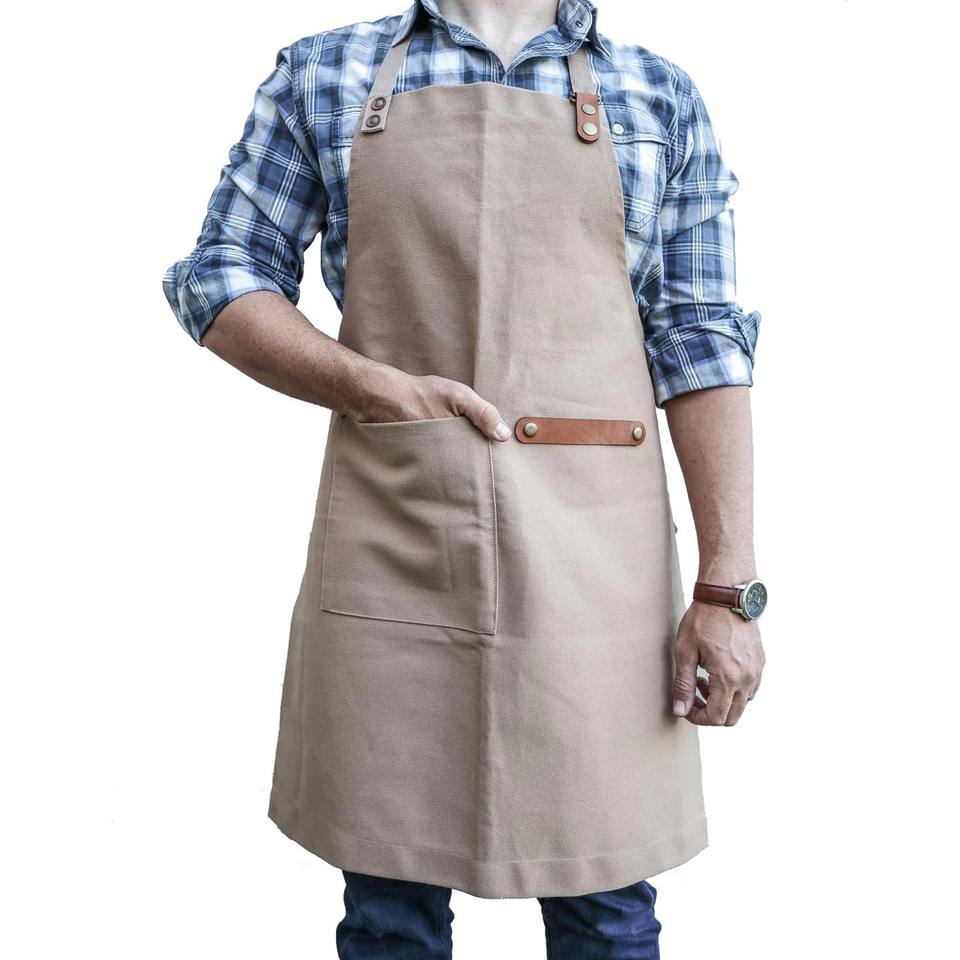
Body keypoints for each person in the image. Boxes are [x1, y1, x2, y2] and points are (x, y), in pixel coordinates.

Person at [162, 1, 767, 956]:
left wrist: (728, 589)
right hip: (401, 526)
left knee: (605, 909)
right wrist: (368, 387)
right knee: (391, 911)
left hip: (595, 559)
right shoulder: (328, 73)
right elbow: (219, 275)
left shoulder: (657, 93)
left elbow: (701, 340)